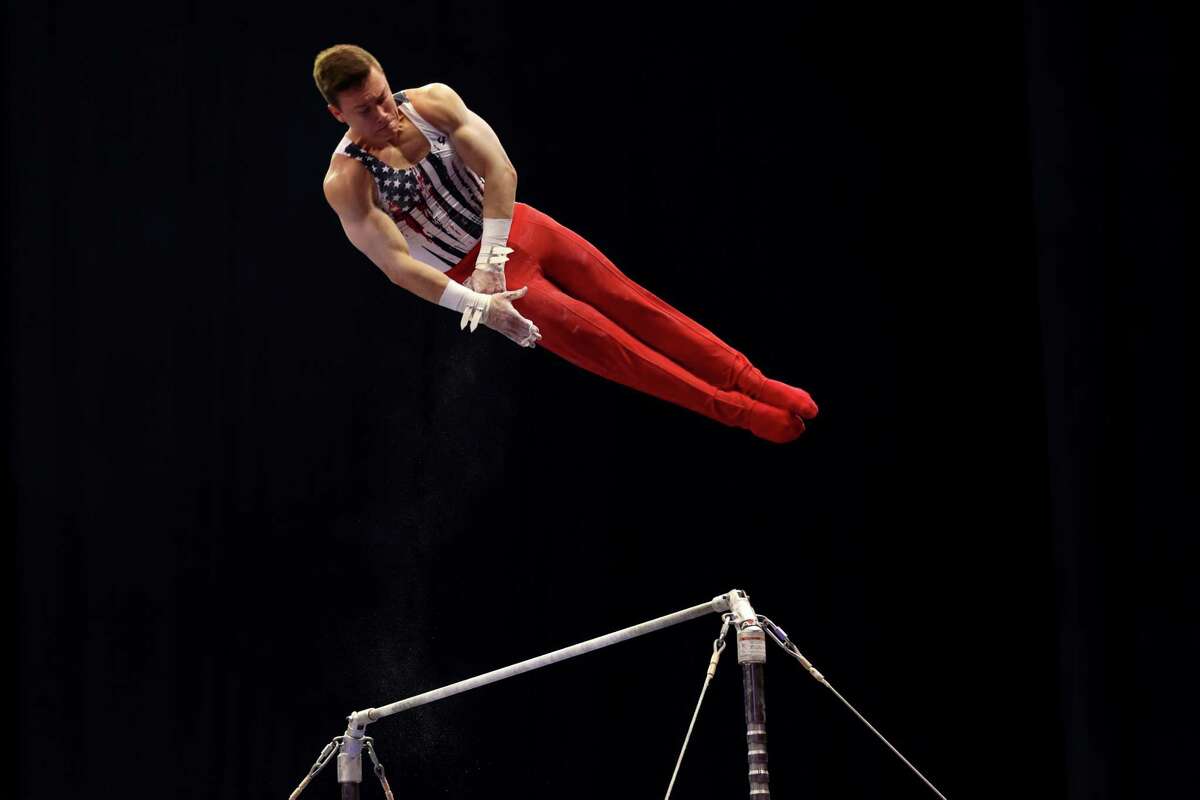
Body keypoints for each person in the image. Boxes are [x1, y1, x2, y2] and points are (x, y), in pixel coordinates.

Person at [314, 44, 819, 443]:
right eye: (364, 110)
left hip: (521, 227)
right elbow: (398, 267)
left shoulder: (432, 102)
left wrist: (492, 255)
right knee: (613, 348)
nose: (383, 113)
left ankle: (754, 381)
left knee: (637, 306)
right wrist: (481, 303)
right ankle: (742, 411)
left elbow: (500, 169)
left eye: (382, 95)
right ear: (338, 115)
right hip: (484, 280)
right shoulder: (348, 181)